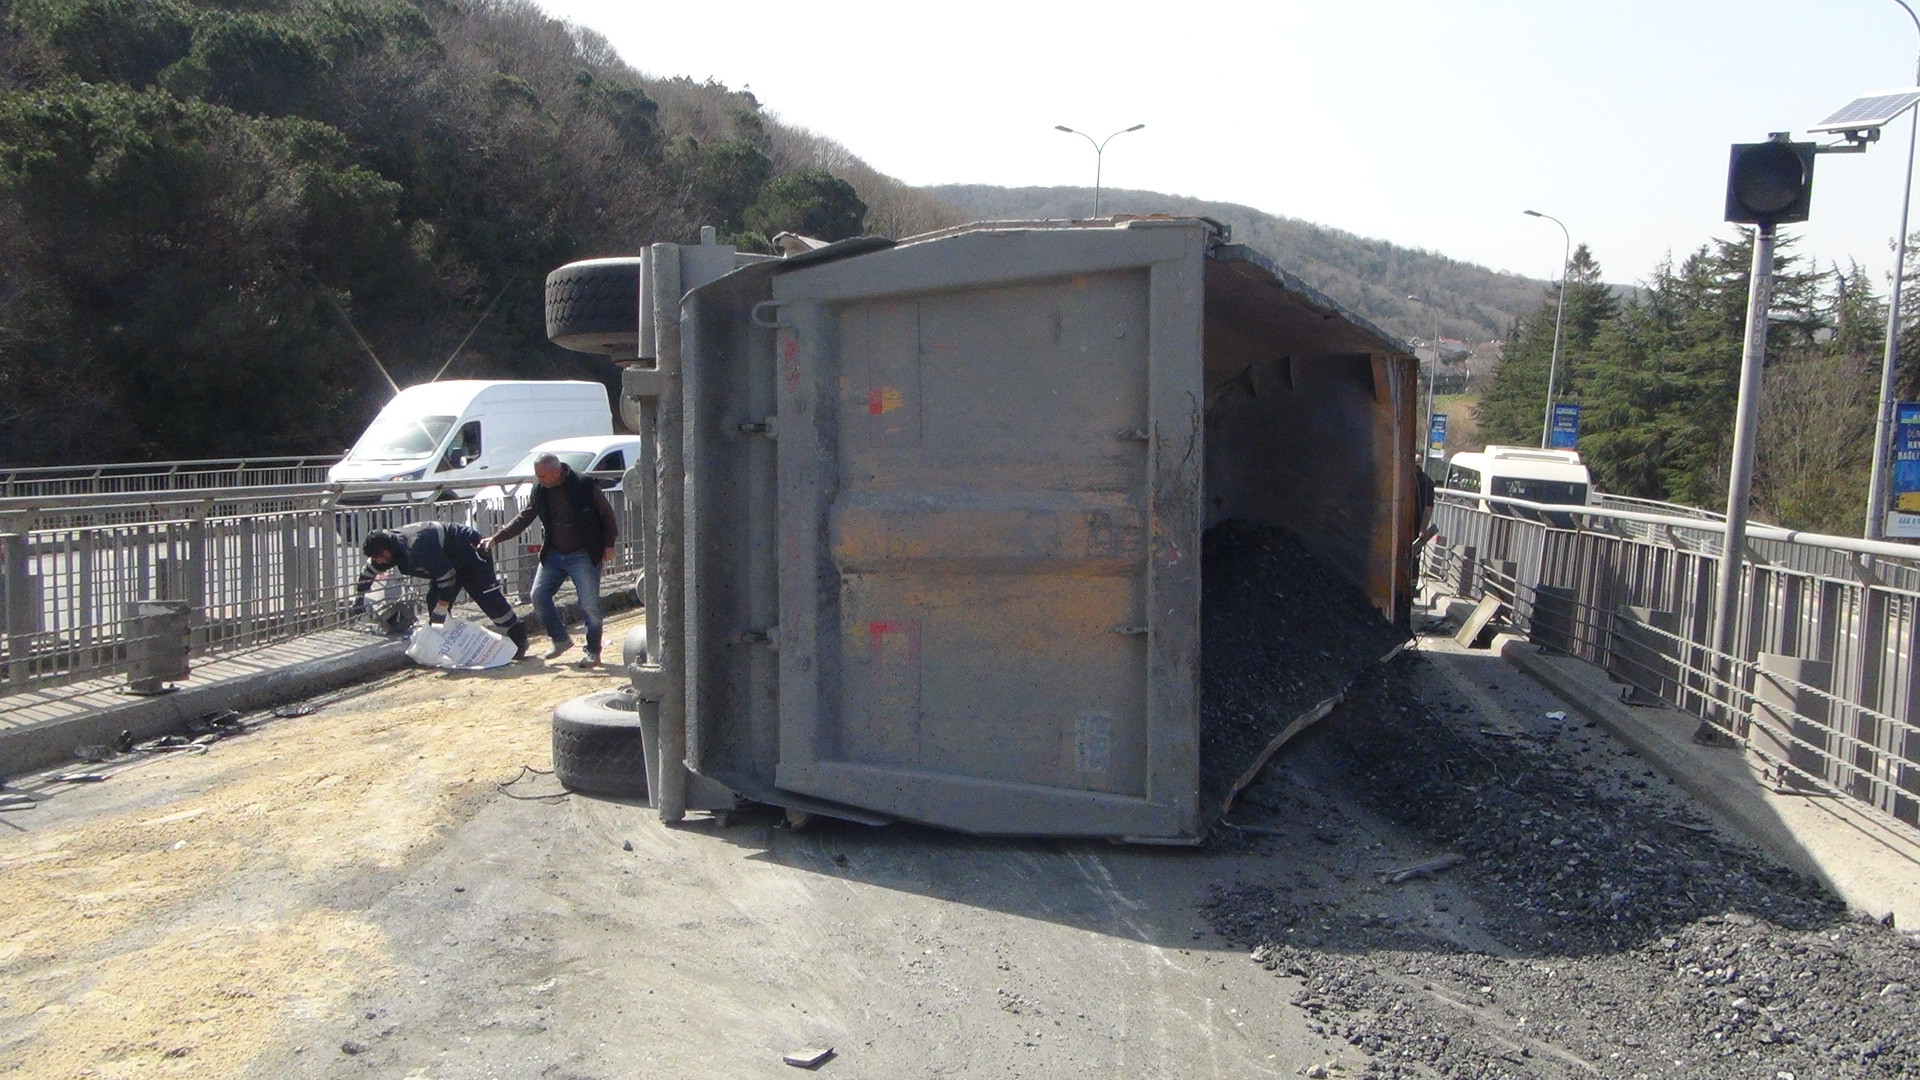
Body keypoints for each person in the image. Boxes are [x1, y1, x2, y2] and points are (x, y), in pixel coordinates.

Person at [478, 452, 618, 667]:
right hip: (554, 553)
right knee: (538, 595)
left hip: (583, 554)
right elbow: (524, 517)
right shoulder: (540, 490)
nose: (538, 479)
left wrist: (609, 544)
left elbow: (607, 514)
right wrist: (497, 538)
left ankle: (593, 652)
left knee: (589, 606)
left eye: (542, 476)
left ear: (556, 471)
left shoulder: (583, 484)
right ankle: (560, 639)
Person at [357, 520, 529, 659]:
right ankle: (451, 646)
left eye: (377, 558)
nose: (376, 562)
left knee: (487, 597)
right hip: (446, 559)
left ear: (386, 553)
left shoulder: (415, 548)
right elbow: (368, 572)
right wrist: (359, 599)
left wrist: (443, 605)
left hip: (469, 552)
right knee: (433, 605)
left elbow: (447, 577)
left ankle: (518, 639)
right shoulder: (391, 547)